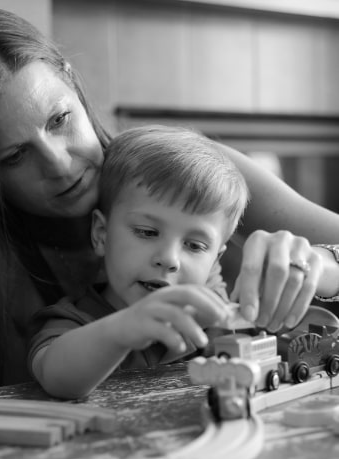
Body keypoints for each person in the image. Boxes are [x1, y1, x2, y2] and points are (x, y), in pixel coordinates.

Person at [0, 5, 339, 390]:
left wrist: (318, 266)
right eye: (16, 155)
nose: (60, 164)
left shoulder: (191, 171)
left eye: (59, 119)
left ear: (72, 83)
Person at [28, 125, 250, 399]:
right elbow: (56, 378)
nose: (169, 259)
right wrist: (122, 329)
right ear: (101, 234)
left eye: (194, 246)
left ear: (215, 258)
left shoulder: (212, 309)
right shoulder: (76, 323)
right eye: (147, 232)